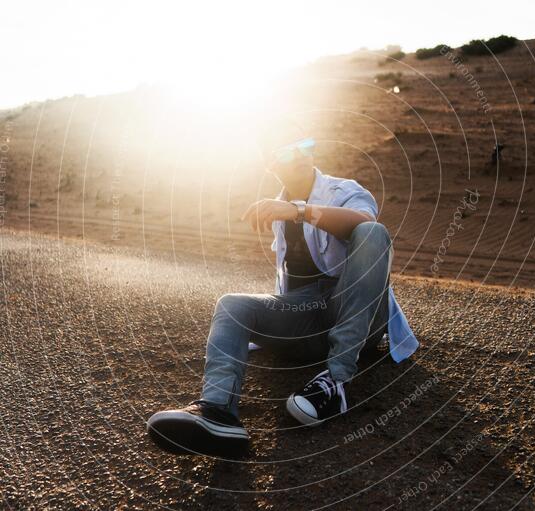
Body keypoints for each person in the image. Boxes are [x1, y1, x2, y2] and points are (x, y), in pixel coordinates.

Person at [146, 121, 418, 457]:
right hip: (309, 319)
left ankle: (336, 382)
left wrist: (300, 211)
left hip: (360, 313)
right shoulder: (276, 209)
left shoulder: (342, 190)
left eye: (305, 144)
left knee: (373, 232)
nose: (301, 155)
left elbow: (365, 228)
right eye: (288, 151)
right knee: (232, 304)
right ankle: (217, 413)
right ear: (272, 165)